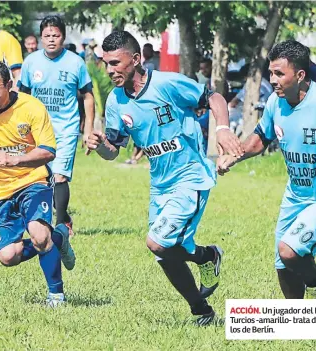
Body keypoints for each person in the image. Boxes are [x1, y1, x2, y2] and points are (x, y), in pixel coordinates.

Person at [86, 31, 244, 326]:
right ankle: (202, 303)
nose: (109, 70)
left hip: (190, 177)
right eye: (106, 64)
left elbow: (214, 97)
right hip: (160, 185)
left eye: (115, 63)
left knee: (157, 243)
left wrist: (222, 129)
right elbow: (113, 151)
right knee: (168, 253)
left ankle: (206, 261)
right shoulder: (116, 101)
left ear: (135, 60)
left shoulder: (167, 84)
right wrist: (100, 147)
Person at [217, 40, 316, 299]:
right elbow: (260, 139)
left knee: (289, 250)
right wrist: (234, 156)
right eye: (271, 72)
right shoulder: (274, 102)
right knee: (283, 265)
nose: (273, 79)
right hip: (295, 197)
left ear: (300, 75)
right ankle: (297, 322)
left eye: (279, 73)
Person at [0, 59, 76, 306]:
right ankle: (59, 238)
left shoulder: (32, 107)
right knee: (9, 256)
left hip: (33, 180)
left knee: (39, 235)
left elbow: (48, 151)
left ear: (9, 85)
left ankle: (56, 296)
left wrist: (14, 159)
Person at [18, 16, 95, 234]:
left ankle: (61, 223)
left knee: (59, 176)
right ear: (41, 37)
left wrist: (87, 129)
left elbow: (88, 96)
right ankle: (51, 217)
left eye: (56, 35)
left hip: (66, 130)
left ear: (63, 36)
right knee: (42, 177)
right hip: (37, 131)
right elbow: (22, 96)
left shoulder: (75, 63)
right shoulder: (31, 62)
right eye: (47, 36)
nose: (51, 39)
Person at [228, 64, 273, 136]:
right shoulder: (267, 84)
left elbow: (233, 102)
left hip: (249, 115)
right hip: (264, 113)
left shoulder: (251, 83)